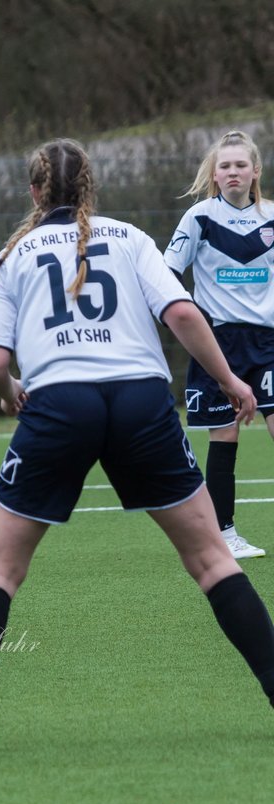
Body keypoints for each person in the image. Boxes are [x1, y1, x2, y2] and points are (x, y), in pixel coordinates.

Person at [0, 138, 274, 755]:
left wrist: (10, 391)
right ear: (90, 190)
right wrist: (230, 379)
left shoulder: (15, 252)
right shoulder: (130, 237)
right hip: (141, 401)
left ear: (33, 193)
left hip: (60, 406)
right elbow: (184, 317)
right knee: (214, 561)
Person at [163, 129, 274, 560]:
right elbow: (167, 271)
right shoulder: (199, 218)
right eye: (225, 165)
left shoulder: (270, 216)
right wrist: (187, 314)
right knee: (225, 438)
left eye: (240, 165)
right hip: (218, 343)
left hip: (267, 342)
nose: (233, 172)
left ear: (255, 171)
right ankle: (225, 535)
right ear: (214, 172)